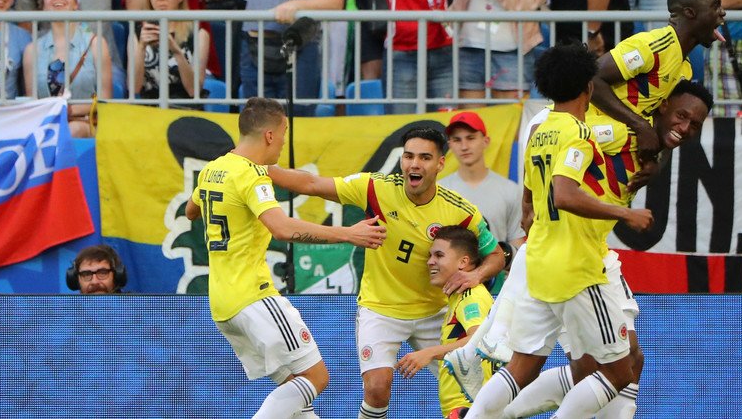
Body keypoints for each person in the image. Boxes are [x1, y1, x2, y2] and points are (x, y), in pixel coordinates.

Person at [496, 80, 714, 419]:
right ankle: (495, 413)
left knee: (626, 362)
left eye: (695, 124)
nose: (685, 128)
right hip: (572, 255)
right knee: (607, 368)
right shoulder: (608, 131)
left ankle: (492, 413)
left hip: (585, 252)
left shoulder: (652, 143)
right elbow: (552, 144)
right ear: (663, 105)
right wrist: (529, 199)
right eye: (682, 116)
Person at [465, 42, 654, 419]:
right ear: (588, 87)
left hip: (539, 263)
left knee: (522, 366)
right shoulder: (578, 134)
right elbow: (564, 194)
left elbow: (531, 198)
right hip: (576, 269)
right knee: (622, 370)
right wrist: (624, 213)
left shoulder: (541, 129)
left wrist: (528, 214)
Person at [266, 126, 506, 419]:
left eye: (425, 158)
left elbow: (495, 256)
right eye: (409, 156)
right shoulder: (375, 188)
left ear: (440, 164)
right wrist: (255, 166)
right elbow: (312, 183)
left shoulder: (461, 211)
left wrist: (475, 276)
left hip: (435, 312)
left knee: (469, 389)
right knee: (378, 386)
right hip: (381, 309)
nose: (414, 164)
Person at [184, 97, 386, 419]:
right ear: (269, 135)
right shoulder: (251, 176)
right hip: (253, 295)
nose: (282, 141)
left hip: (222, 302)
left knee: (296, 397)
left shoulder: (213, 169)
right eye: (284, 131)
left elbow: (191, 210)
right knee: (316, 378)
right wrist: (348, 234)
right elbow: (280, 228)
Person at [588, 0, 724, 173]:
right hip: (585, 139)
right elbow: (591, 77)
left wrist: (657, 163)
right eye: (715, 6)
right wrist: (639, 125)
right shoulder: (653, 46)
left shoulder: (684, 68)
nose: (723, 13)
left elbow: (666, 123)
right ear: (690, 13)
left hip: (610, 151)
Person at [395, 226, 496, 418]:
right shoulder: (457, 299)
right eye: (430, 256)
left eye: (439, 255)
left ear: (463, 262)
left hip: (469, 408)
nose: (430, 262)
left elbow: (479, 341)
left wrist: (429, 353)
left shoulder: (471, 295)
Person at [440, 111, 525, 293]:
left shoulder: (510, 190)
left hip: (496, 290)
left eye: (470, 138)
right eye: (457, 140)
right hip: (448, 292)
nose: (464, 146)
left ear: (485, 141)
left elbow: (518, 244)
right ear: (450, 145)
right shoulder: (440, 191)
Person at [23, 0, 112, 138]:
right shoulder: (32, 50)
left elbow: (106, 100)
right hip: (47, 125)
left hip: (87, 123)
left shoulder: (96, 43)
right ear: (42, 5)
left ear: (75, 4)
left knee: (72, 131)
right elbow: (32, 103)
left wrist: (69, 110)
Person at [131, 0, 211, 103]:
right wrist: (141, 48)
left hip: (185, 108)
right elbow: (134, 87)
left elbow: (194, 90)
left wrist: (176, 51)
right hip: (148, 110)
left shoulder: (199, 34)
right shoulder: (138, 34)